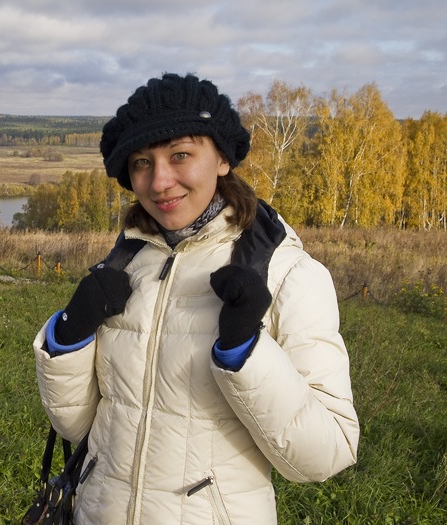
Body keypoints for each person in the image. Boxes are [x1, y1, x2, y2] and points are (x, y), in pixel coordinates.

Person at [33, 72, 359, 524]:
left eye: (180, 155)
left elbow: (327, 454)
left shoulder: (288, 274)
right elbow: (75, 425)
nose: (160, 181)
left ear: (222, 158)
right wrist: (69, 336)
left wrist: (246, 351)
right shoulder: (126, 261)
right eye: (142, 162)